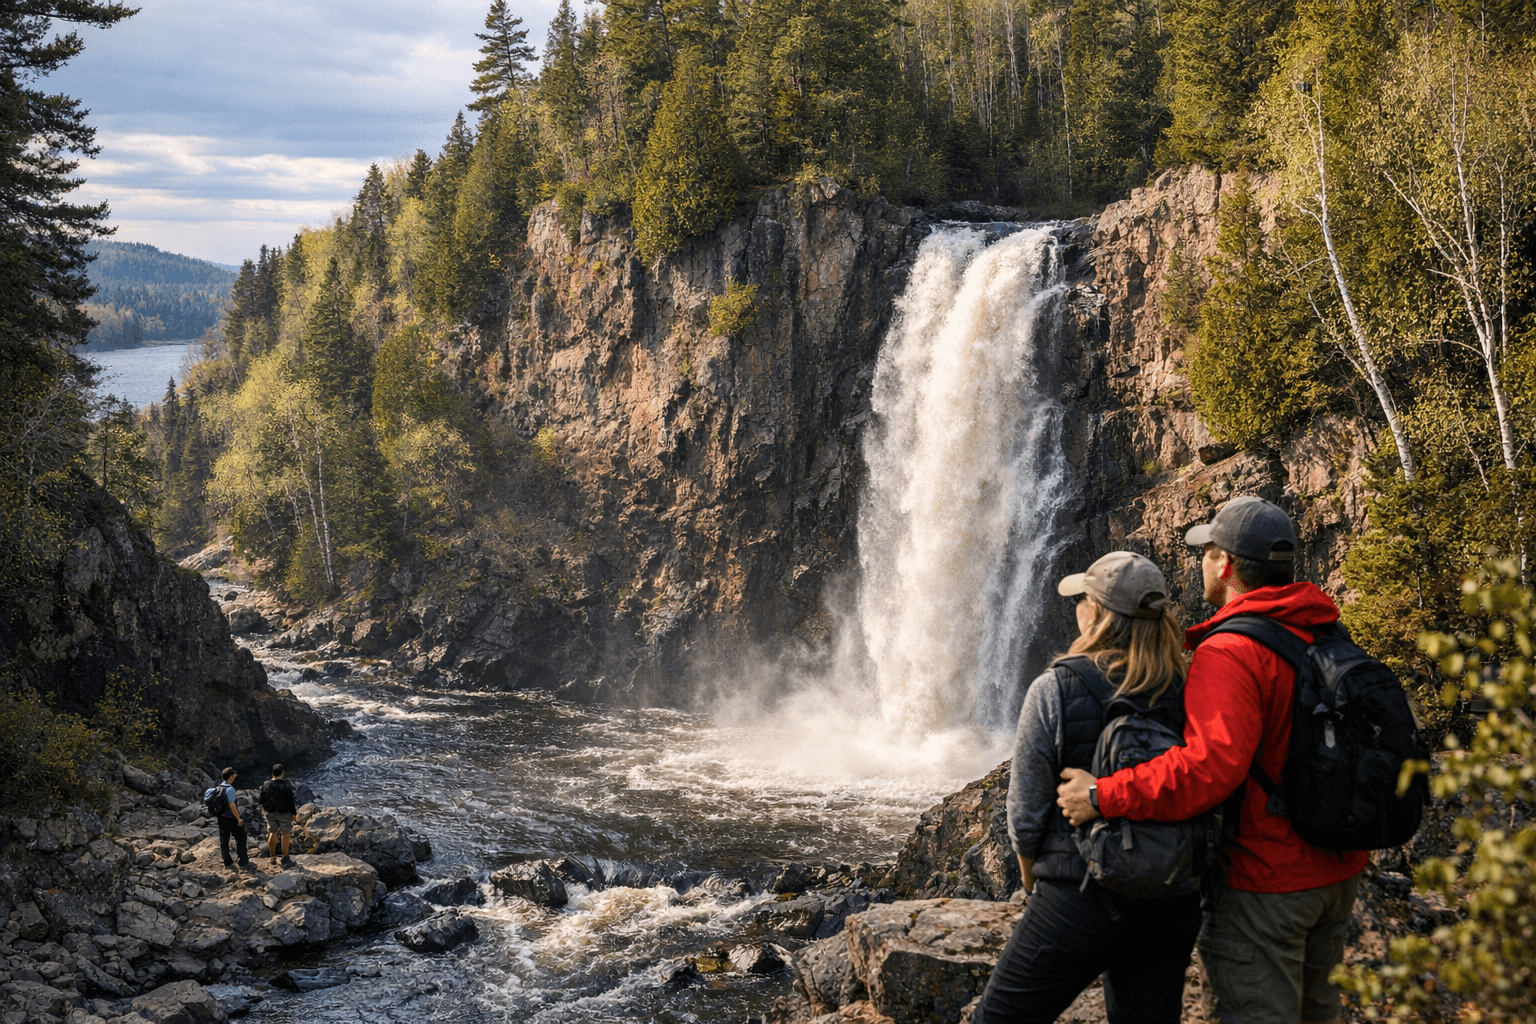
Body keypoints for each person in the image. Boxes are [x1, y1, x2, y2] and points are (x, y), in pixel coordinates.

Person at [1058, 496, 1367, 1024]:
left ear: (1223, 565)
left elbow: (1209, 768)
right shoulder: (1322, 627)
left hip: (1267, 884)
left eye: (1206, 552)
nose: (1200, 561)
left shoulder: (1231, 652)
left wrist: (1100, 795)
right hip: (1337, 871)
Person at [972, 550, 1201, 1024]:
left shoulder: (1055, 688)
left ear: (1094, 612)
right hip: (1170, 899)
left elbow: (1026, 814)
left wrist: (1034, 878)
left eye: (1082, 599)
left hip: (1078, 892)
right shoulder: (1193, 687)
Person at [258, 763, 298, 867]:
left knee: (272, 832)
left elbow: (261, 800)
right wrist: (294, 813)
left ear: (272, 773)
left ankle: (272, 858)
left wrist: (265, 810)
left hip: (270, 812)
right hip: (284, 813)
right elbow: (291, 801)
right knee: (285, 834)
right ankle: (285, 858)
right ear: (283, 772)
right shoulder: (286, 784)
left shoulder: (266, 784)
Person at [214, 767, 251, 872]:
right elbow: (232, 805)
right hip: (231, 818)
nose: (235, 777)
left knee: (224, 840)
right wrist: (239, 818)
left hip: (221, 818)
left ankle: (227, 861)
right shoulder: (230, 789)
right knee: (241, 838)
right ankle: (243, 861)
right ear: (230, 777)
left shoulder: (218, 787)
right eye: (234, 775)